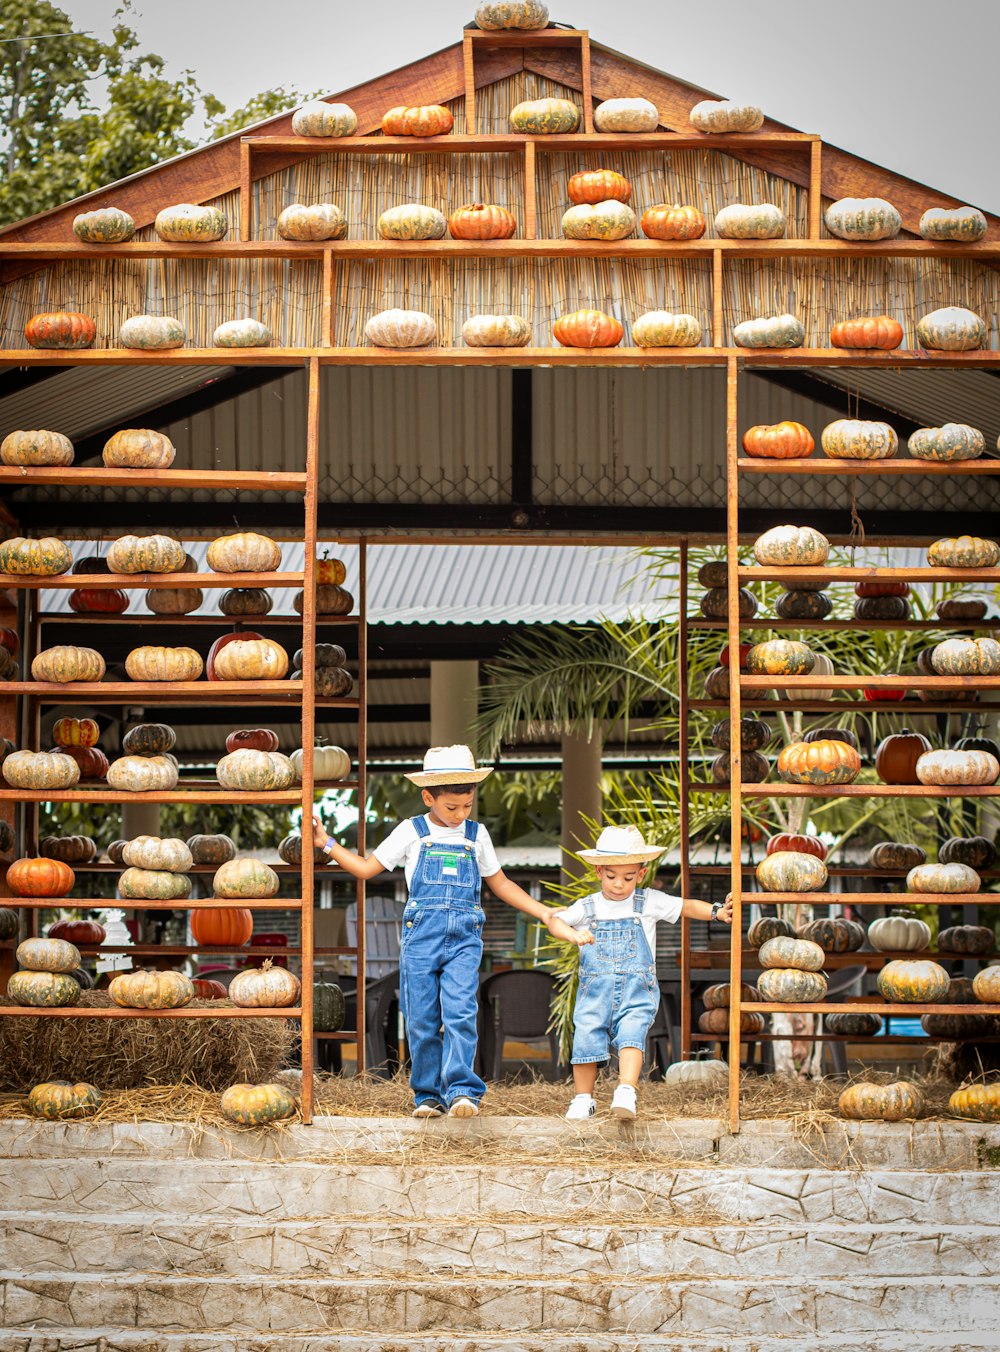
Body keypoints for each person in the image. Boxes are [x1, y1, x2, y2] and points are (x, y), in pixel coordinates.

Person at [312, 744, 590, 1120]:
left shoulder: (476, 836)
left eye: (467, 807)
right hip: (420, 940)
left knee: (460, 1012)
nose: (461, 815)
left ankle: (463, 1091)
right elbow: (365, 869)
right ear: (429, 796)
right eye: (451, 808)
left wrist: (544, 913)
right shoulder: (411, 832)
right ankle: (427, 1095)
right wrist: (325, 843)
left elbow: (501, 883)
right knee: (421, 1018)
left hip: (464, 940)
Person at [555, 824, 733, 1122]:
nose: (618, 884)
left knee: (632, 1036)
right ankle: (583, 1098)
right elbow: (555, 920)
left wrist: (717, 912)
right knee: (586, 1039)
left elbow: (686, 906)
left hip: (636, 991)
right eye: (611, 876)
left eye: (628, 877)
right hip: (594, 993)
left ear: (640, 873)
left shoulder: (648, 901)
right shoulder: (587, 907)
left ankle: (626, 1090)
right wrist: (572, 936)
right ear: (599, 871)